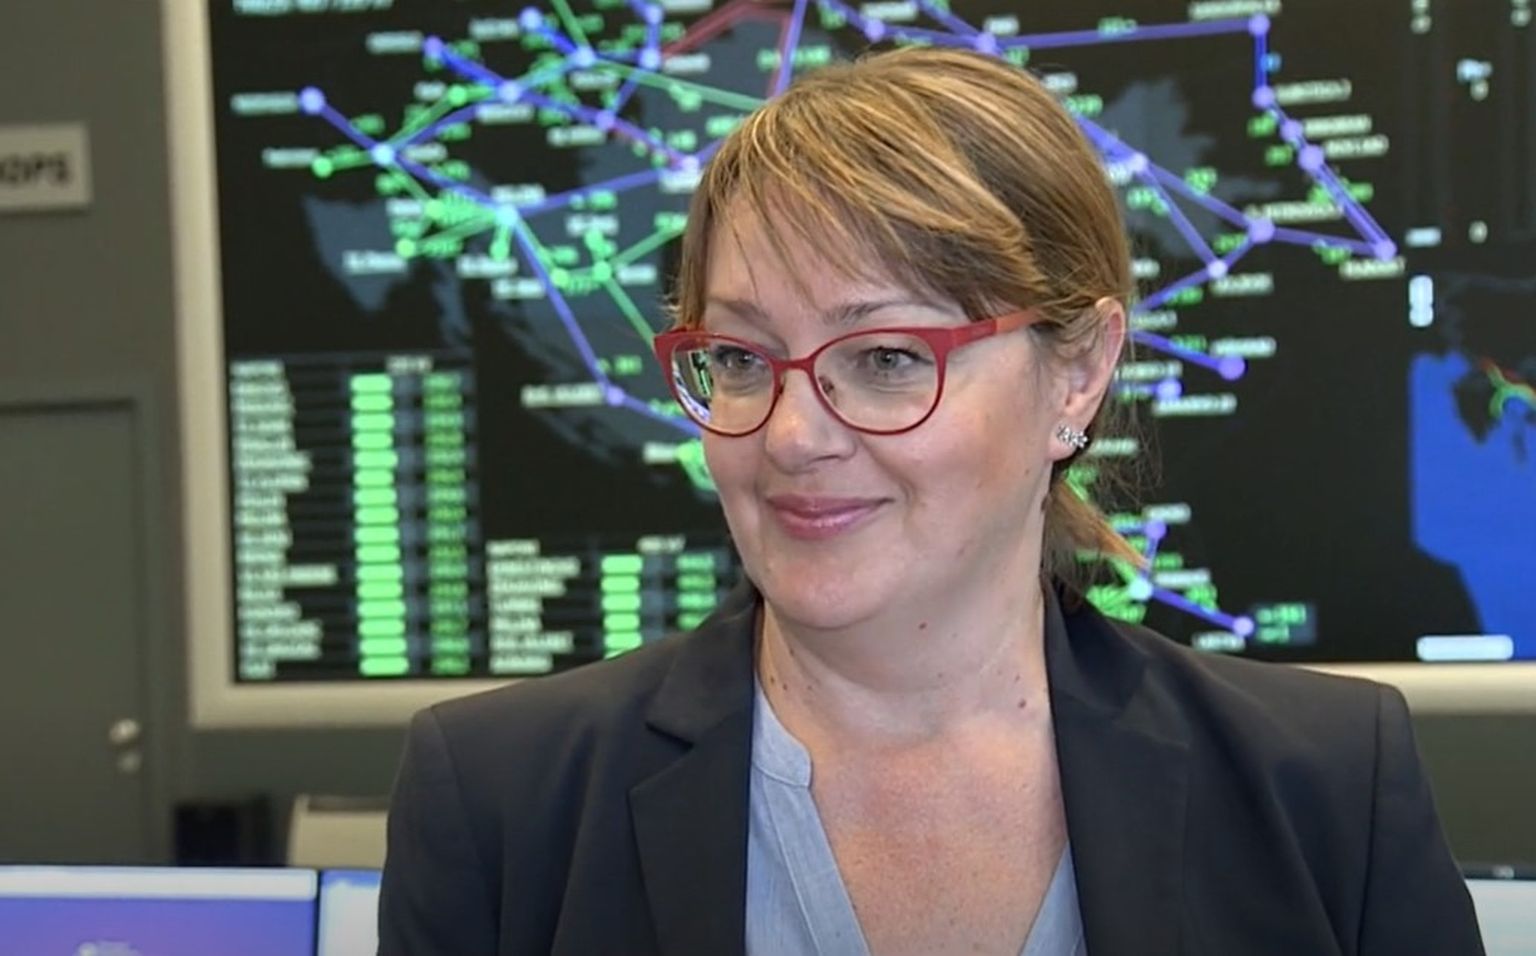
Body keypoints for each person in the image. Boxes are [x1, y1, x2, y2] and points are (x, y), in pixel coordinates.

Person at [378, 47, 1484, 955]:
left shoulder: (1325, 791)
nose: (793, 436)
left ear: (1078, 372)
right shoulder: (502, 805)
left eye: (889, 357)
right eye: (745, 358)